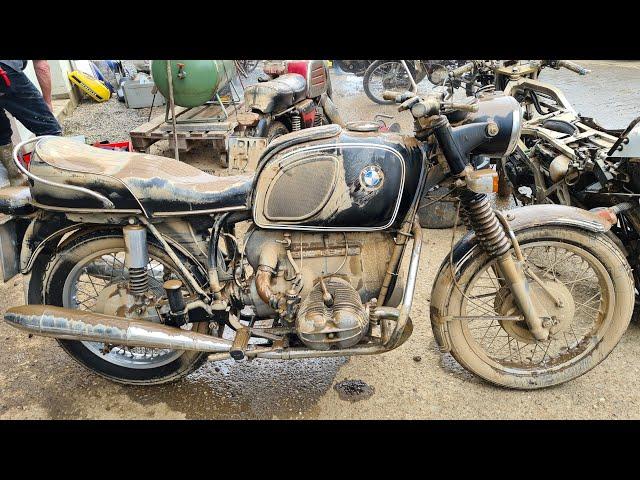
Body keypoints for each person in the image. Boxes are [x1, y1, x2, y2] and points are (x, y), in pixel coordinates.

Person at [0, 60, 62, 186]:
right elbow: (42, 66)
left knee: (1, 131)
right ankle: (57, 182)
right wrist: (47, 102)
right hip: (4, 72)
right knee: (49, 128)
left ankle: (16, 179)